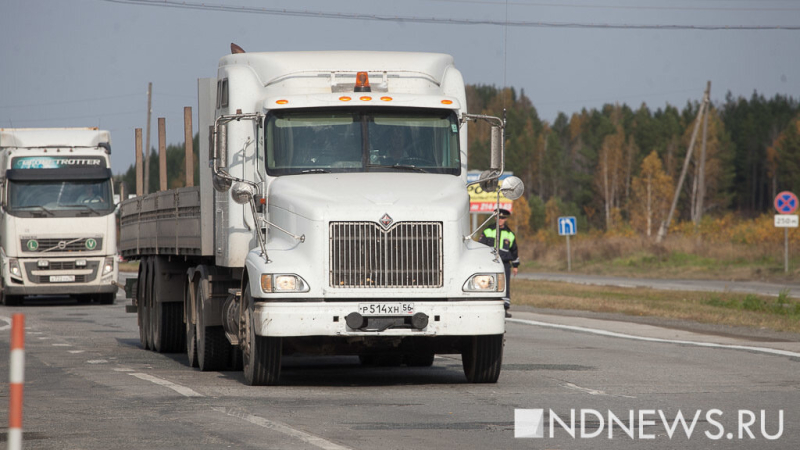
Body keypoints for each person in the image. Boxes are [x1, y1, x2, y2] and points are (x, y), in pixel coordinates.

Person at [479, 208, 519, 318]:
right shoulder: (488, 231)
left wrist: (515, 265)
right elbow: (481, 247)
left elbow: (514, 250)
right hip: (490, 262)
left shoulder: (510, 234)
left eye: (503, 218)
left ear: (506, 219)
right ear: (495, 217)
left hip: (505, 264)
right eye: (499, 217)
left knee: (505, 286)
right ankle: (488, 306)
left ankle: (504, 308)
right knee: (488, 284)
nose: (500, 220)